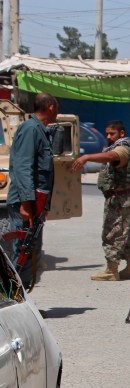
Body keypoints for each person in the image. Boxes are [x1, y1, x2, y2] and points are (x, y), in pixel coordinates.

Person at [72, 120, 130, 281]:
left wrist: (87, 157)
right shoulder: (117, 146)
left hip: (120, 201)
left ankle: (111, 270)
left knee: (112, 236)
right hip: (116, 199)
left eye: (112, 134)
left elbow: (112, 156)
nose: (108, 137)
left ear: (121, 133)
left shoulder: (123, 149)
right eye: (107, 133)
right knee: (122, 236)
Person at [6, 93, 59, 289]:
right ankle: (10, 299)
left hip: (34, 204)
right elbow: (22, 167)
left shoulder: (40, 130)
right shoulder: (31, 129)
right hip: (25, 203)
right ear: (51, 107)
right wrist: (26, 203)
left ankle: (22, 300)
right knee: (21, 252)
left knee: (29, 253)